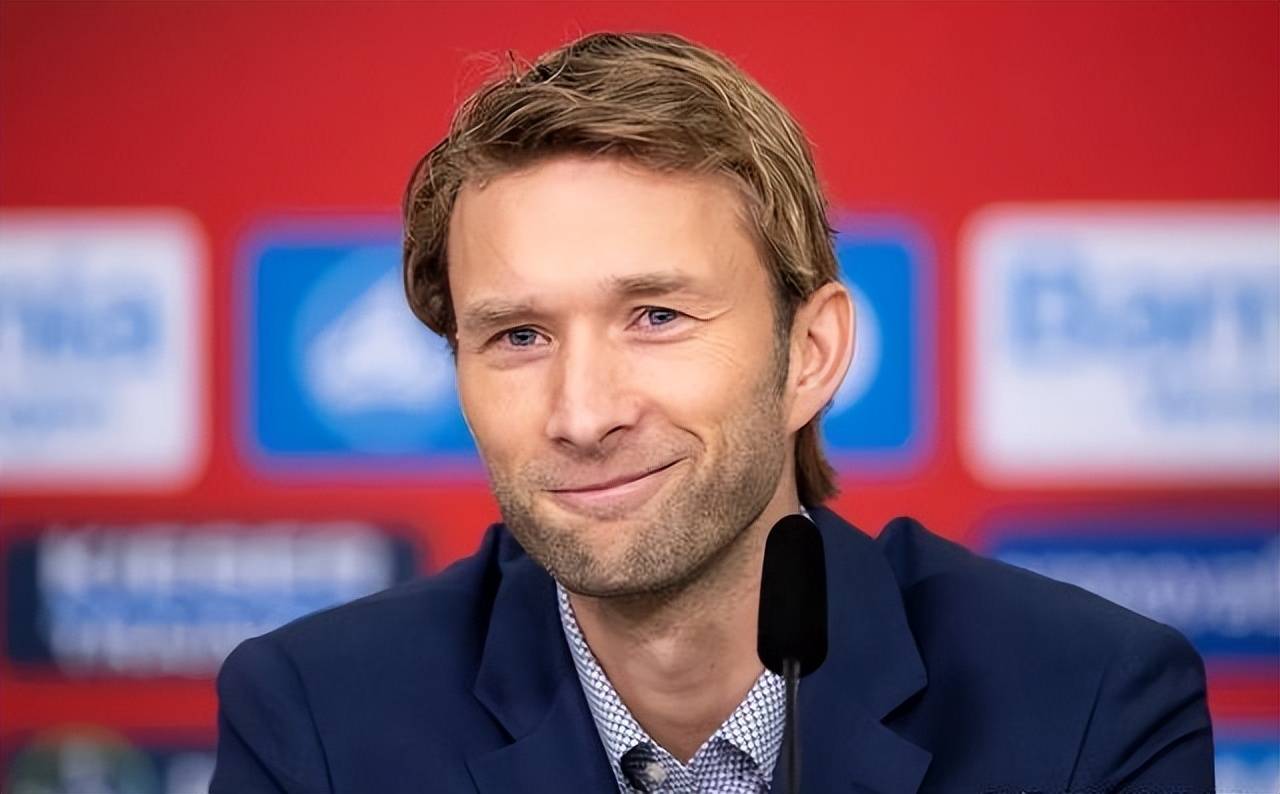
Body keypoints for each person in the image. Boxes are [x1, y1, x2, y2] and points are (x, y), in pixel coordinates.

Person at [211, 32, 1214, 793]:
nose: (582, 413)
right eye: (518, 335)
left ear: (809, 354)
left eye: (656, 316)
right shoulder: (317, 724)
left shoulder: (1088, 705)